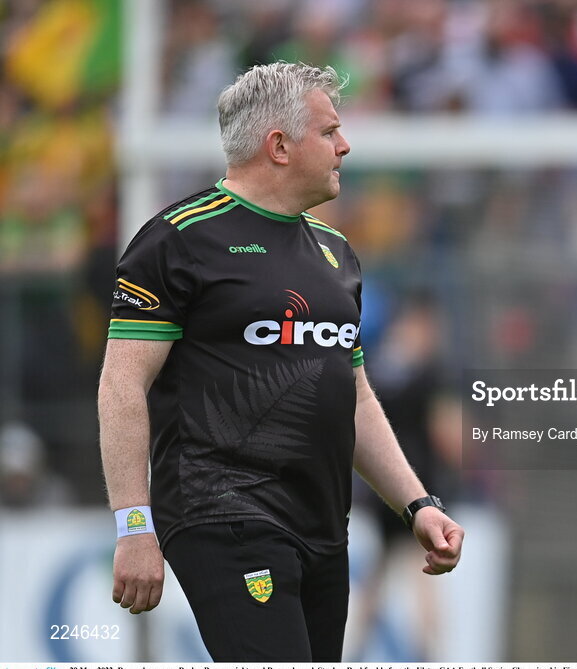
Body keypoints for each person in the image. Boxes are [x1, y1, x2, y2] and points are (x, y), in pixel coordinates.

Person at [97, 62, 464, 662]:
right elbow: (121, 386)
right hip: (223, 512)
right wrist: (133, 526)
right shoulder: (179, 240)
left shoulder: (336, 254)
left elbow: (356, 397)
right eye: (329, 132)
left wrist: (417, 504)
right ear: (279, 146)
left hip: (323, 527)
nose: (345, 145)